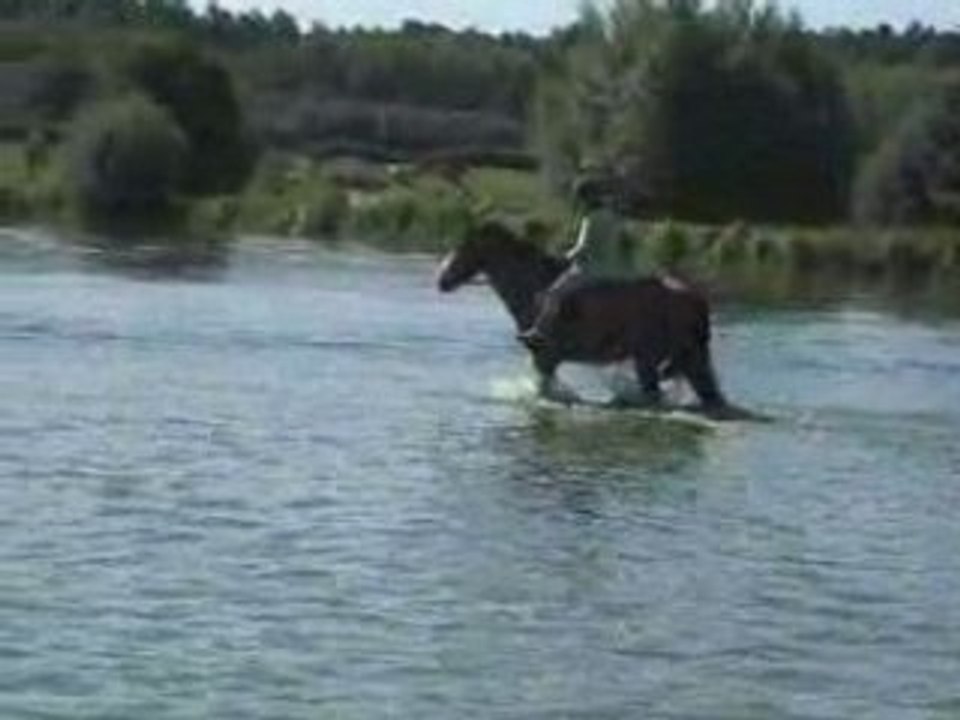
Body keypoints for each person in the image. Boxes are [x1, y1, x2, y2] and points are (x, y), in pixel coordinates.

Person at [518, 174, 629, 346]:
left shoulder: (590, 218)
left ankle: (539, 331)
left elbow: (583, 247)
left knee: (552, 295)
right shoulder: (612, 216)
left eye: (580, 199)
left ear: (585, 198)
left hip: (591, 270)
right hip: (615, 269)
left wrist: (564, 257)